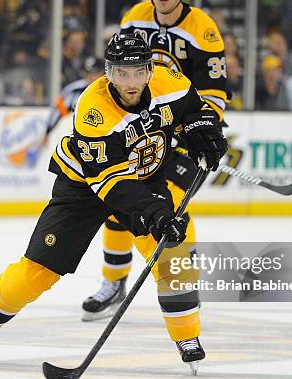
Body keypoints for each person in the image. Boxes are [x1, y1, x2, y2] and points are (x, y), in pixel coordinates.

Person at [0, 33, 228, 372]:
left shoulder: (171, 81)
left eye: (137, 72)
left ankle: (187, 337)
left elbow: (195, 111)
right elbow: (114, 186)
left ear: (150, 70)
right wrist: (157, 214)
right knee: (38, 272)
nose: (130, 82)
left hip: (145, 175)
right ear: (108, 72)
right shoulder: (93, 111)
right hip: (85, 187)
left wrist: (205, 134)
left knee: (174, 256)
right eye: (121, 73)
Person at [79, 0, 229, 321]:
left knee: (171, 208)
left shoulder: (203, 30)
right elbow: (119, 76)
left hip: (184, 131)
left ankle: (182, 282)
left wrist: (197, 129)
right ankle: (114, 282)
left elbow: (213, 95)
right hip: (143, 129)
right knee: (122, 201)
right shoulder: (135, 18)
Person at [43, 56, 105, 147]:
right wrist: (47, 132)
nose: (91, 77)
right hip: (76, 137)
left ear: (102, 73)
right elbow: (58, 111)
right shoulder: (74, 90)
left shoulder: (110, 90)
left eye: (95, 73)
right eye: (88, 73)